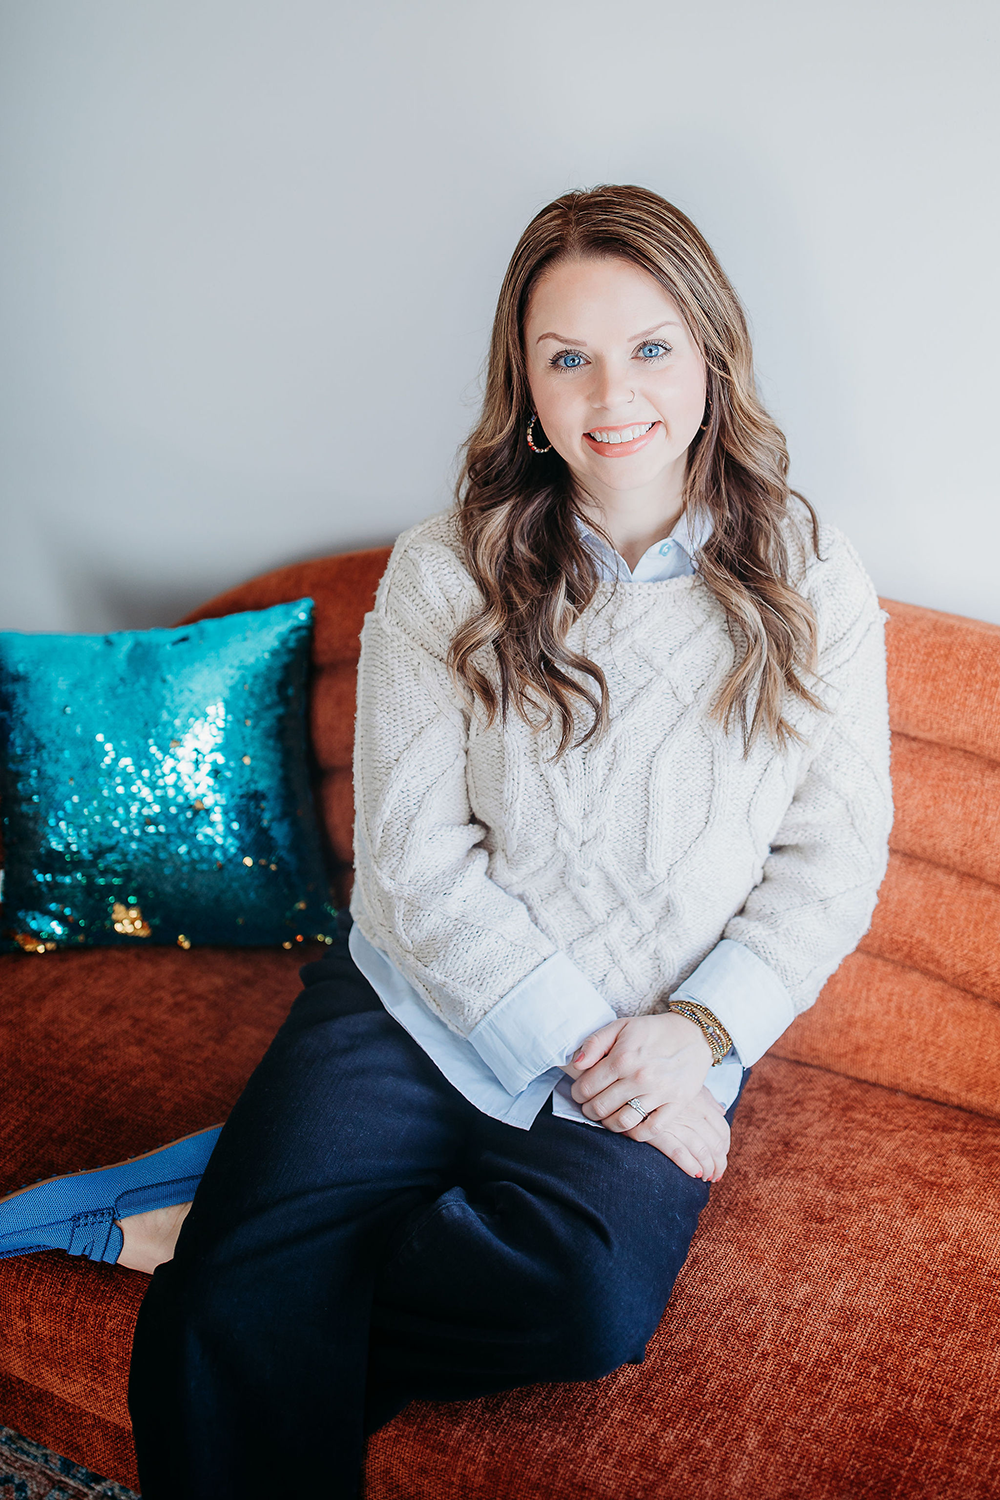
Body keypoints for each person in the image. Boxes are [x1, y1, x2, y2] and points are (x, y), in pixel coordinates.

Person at [0, 185, 893, 1498]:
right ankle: (251, 1241)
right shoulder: (448, 570)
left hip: (660, 1034)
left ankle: (236, 1224)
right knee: (216, 1327)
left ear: (710, 354)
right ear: (526, 388)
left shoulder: (812, 578)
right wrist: (577, 1049)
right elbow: (415, 868)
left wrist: (696, 1038)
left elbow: (834, 860)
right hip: (413, 1006)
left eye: (650, 347)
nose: (613, 393)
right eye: (567, 356)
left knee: (581, 1306)